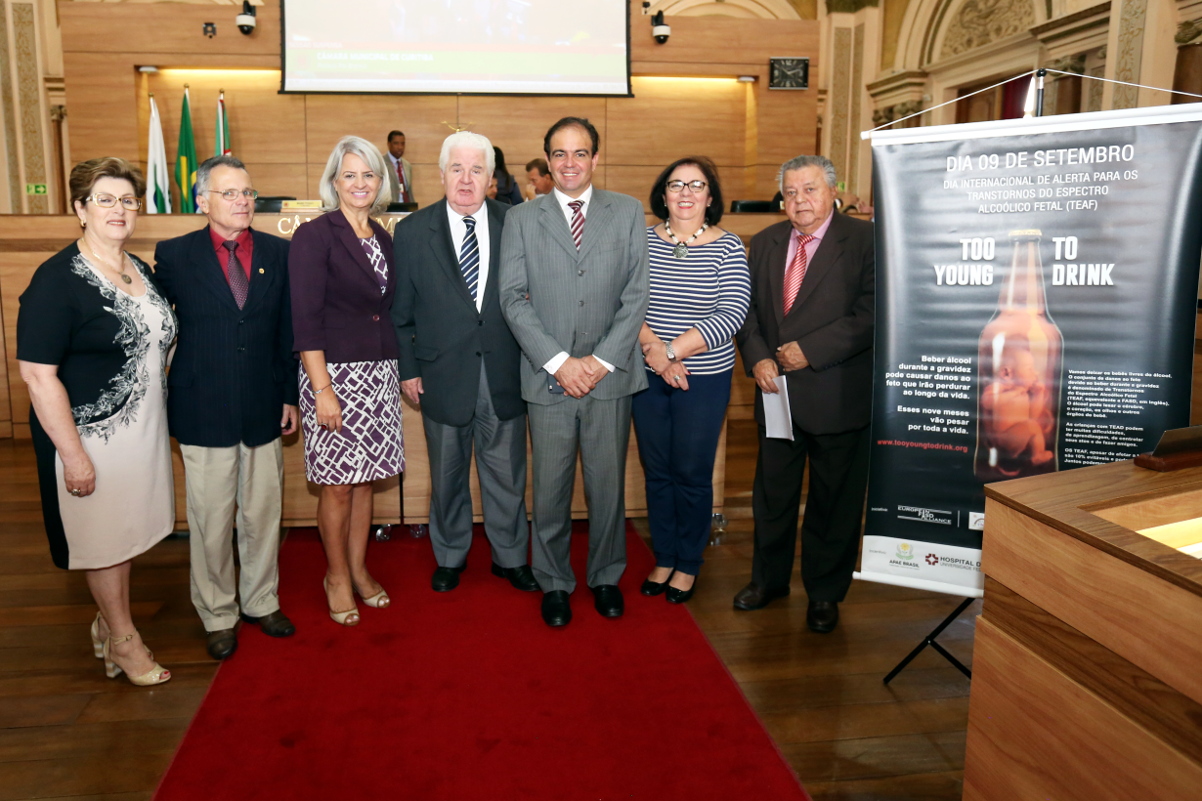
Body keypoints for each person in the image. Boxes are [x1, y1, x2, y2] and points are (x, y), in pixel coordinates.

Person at [17, 157, 174, 685]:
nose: (119, 209)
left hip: (142, 434)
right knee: (104, 543)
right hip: (90, 438)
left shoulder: (141, 269)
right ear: (80, 208)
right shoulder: (55, 281)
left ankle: (110, 625)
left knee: (123, 539)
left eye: (128, 200)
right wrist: (74, 456)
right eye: (105, 199)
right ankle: (125, 640)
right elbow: (39, 376)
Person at [499, 116, 649, 627]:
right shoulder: (522, 219)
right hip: (549, 379)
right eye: (559, 154)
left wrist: (600, 361)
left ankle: (605, 576)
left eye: (579, 153)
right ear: (547, 160)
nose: (569, 163)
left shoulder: (628, 212)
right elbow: (512, 298)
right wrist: (561, 362)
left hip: (610, 378)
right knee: (551, 488)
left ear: (595, 158)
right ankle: (555, 581)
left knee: (608, 486)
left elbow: (636, 296)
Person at [153, 155, 298, 661]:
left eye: (248, 192)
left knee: (263, 512)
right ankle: (218, 613)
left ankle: (261, 600)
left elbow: (288, 331)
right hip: (202, 404)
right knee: (212, 518)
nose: (243, 201)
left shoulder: (280, 253)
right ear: (202, 202)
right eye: (231, 193)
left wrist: (289, 395)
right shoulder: (172, 255)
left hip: (263, 401)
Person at [734, 154, 874, 634]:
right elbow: (746, 313)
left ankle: (824, 594)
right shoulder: (768, 241)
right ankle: (768, 582)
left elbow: (872, 313)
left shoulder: (865, 240)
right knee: (772, 498)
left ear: (833, 191)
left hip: (838, 395)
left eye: (810, 190)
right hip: (776, 394)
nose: (799, 201)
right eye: (790, 193)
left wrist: (809, 351)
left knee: (834, 502)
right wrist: (758, 358)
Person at [392, 131, 537, 594]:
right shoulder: (414, 230)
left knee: (507, 475)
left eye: (477, 170)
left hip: (504, 371)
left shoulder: (516, 221)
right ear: (441, 175)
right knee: (447, 474)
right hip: (440, 375)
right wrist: (409, 369)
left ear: (492, 179)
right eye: (457, 169)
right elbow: (400, 315)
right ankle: (450, 555)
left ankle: (510, 556)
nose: (466, 179)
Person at [290, 135, 403, 627]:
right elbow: (306, 321)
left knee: (366, 485)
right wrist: (321, 392)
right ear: (334, 181)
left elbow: (385, 312)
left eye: (369, 175)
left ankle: (358, 569)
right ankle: (335, 576)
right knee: (336, 486)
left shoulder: (382, 235)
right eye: (350, 175)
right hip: (332, 376)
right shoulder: (315, 236)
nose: (360, 184)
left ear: (381, 182)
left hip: (378, 375)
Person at [634, 157, 750, 604]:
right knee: (657, 470)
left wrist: (671, 352)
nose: (685, 193)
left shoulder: (727, 246)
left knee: (692, 472)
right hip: (648, 375)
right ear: (662, 194)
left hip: (703, 378)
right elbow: (627, 302)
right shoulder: (642, 241)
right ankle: (664, 556)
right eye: (676, 184)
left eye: (695, 185)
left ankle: (688, 563)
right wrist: (655, 353)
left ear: (710, 196)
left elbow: (732, 312)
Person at [385, 129, 415, 205]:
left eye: (402, 144)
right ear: (389, 144)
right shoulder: (381, 163)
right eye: (396, 143)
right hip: (388, 209)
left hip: (406, 208)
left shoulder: (407, 165)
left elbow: (409, 191)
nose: (400, 147)